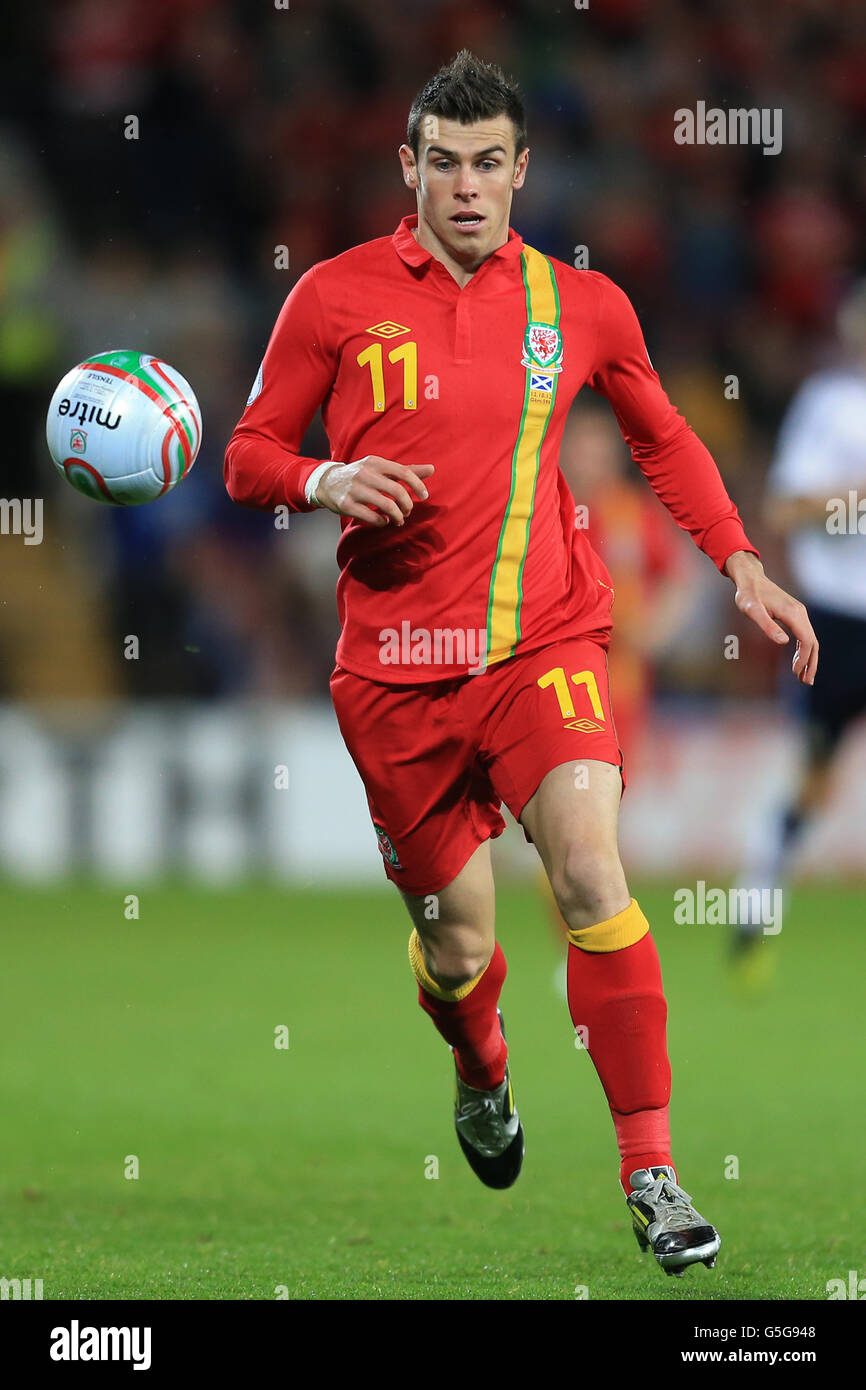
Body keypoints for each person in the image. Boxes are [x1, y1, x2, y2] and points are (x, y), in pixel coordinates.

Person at [224, 51, 818, 1278]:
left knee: (593, 872)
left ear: (520, 170)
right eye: (443, 163)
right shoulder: (331, 298)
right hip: (395, 673)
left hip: (544, 643)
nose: (467, 187)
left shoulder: (577, 305)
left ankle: (649, 1169)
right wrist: (324, 477)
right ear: (408, 169)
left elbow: (661, 434)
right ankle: (480, 1065)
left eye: (488, 163)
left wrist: (739, 562)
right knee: (456, 947)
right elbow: (246, 453)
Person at [733, 279, 866, 968]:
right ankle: (756, 901)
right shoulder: (830, 406)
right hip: (844, 617)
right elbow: (784, 512)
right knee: (816, 767)